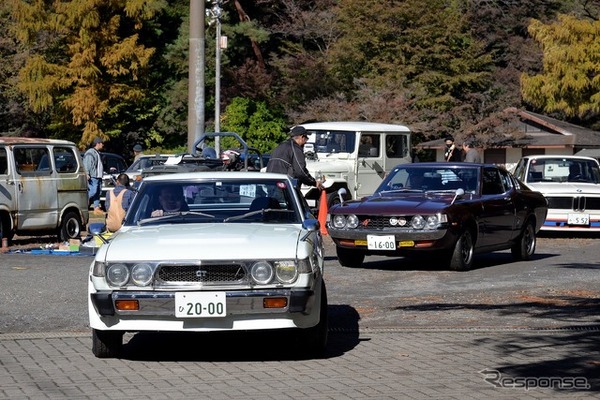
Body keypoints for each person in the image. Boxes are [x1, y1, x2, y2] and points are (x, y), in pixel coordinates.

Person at [266, 126, 323, 190]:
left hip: (271, 184)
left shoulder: (279, 147)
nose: (306, 142)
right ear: (302, 137)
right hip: (285, 186)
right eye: (306, 138)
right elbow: (300, 171)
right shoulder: (295, 148)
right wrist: (314, 182)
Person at [83, 137, 105, 214]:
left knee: (97, 192)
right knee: (93, 191)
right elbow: (87, 163)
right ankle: (83, 205)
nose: (103, 145)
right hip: (93, 176)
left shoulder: (97, 152)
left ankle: (96, 208)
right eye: (101, 143)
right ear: (97, 144)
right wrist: (87, 173)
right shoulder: (90, 152)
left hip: (98, 176)